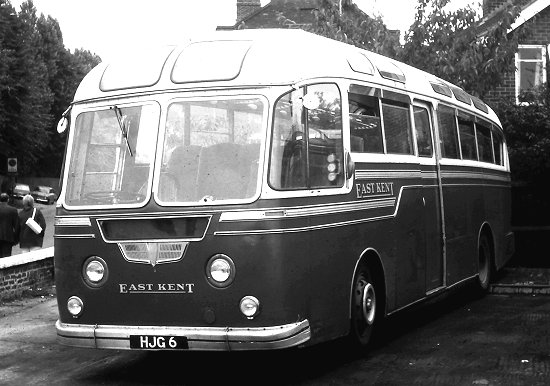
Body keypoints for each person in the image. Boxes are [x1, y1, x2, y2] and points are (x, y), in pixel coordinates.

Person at [0, 192, 20, 258]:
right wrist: (16, 239)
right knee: (6, 259)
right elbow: (17, 226)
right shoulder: (13, 210)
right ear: (8, 200)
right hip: (8, 238)